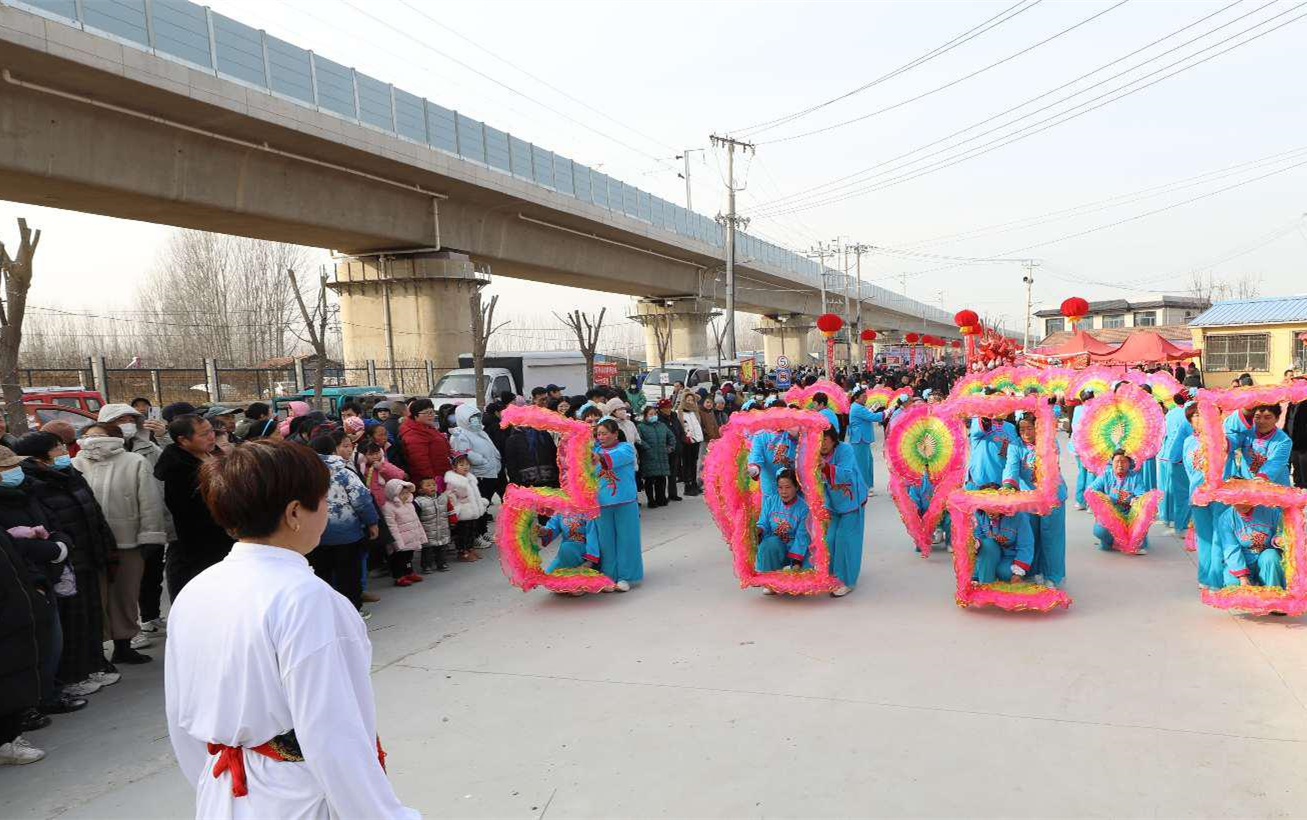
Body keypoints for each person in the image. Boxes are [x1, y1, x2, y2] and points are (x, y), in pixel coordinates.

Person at [163, 439, 418, 818]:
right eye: (324, 502)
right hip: (298, 796)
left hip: (224, 791)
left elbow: (181, 718)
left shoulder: (197, 590)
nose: (327, 513)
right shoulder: (307, 599)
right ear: (295, 512)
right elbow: (333, 733)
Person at [72, 423, 167, 668]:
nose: (91, 441)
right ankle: (96, 653)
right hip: (90, 544)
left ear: (115, 438)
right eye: (87, 436)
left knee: (125, 595)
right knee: (95, 597)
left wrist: (150, 535)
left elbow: (149, 502)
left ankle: (124, 645)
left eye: (98, 436)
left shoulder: (134, 462)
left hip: (128, 540)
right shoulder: (76, 463)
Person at [155, 415, 233, 600]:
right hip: (198, 547)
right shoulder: (178, 469)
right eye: (204, 434)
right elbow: (188, 515)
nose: (211, 437)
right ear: (183, 440)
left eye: (212, 431)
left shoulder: (214, 454)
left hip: (224, 538)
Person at [309, 433, 378, 618]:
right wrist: (372, 522)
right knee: (348, 574)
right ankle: (353, 610)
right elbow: (362, 500)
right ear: (333, 449)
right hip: (346, 533)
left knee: (320, 574)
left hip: (314, 534)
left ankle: (324, 611)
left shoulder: (303, 473)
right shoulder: (343, 472)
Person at [0, 530, 52, 765]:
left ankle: (12, 737)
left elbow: (18, 558)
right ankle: (6, 743)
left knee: (15, 681)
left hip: (17, 616)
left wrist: (37, 588)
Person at [1002, 416, 1066, 588]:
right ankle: (1031, 571)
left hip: (1052, 495)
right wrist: (1008, 485)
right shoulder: (1015, 445)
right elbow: (1011, 466)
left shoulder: (1048, 442)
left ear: (1036, 427)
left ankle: (1053, 575)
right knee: (1030, 536)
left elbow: (1051, 466)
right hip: (1028, 497)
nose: (1025, 433)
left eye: (1029, 428)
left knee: (1051, 537)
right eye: (1022, 429)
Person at [818, 426, 868, 597]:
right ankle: (833, 576)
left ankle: (846, 581)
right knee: (830, 539)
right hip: (832, 503)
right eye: (818, 440)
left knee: (845, 540)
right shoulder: (813, 454)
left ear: (833, 438)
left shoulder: (845, 450)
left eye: (825, 439)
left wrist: (825, 467)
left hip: (851, 501)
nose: (822, 444)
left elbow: (846, 475)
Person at [593, 418, 641, 591]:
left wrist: (598, 457)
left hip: (625, 501)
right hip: (601, 503)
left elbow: (614, 458)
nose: (601, 437)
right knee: (605, 541)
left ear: (615, 434)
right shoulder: (594, 451)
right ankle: (608, 576)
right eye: (598, 434)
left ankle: (625, 576)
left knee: (626, 539)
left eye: (605, 433)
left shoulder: (626, 448)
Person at [753, 469, 811, 584]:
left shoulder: (804, 508)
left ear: (797, 487)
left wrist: (796, 563)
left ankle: (789, 569)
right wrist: (756, 531)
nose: (784, 491)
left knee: (806, 576)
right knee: (769, 544)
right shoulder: (770, 502)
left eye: (788, 487)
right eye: (780, 487)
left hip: (795, 550)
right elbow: (763, 523)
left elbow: (802, 537)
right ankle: (770, 578)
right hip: (776, 548)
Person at [1089, 451, 1150, 554]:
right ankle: (1114, 542)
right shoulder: (1106, 475)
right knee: (1099, 531)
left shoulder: (1135, 477)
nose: (1120, 465)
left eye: (1124, 461)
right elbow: (1090, 490)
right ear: (1112, 462)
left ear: (1129, 463)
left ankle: (1133, 541)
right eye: (1117, 461)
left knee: (1144, 510)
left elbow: (1142, 496)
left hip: (1129, 515)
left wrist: (1122, 498)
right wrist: (1103, 497)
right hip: (1110, 515)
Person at [1218, 503, 1286, 589]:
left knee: (1271, 557)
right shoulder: (1226, 518)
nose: (1242, 504)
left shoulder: (1271, 510)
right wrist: (1242, 576)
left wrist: (1278, 539)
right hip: (1242, 559)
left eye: (1246, 499)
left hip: (1265, 556)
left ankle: (1273, 595)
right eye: (1237, 501)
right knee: (1233, 581)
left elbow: (1281, 530)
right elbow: (1231, 548)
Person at [449, 404, 503, 508]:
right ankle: (479, 523)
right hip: (478, 474)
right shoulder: (460, 434)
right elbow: (464, 453)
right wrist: (482, 461)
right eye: (473, 418)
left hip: (490, 472)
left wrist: (497, 458)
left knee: (485, 502)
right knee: (479, 504)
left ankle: (482, 521)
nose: (476, 420)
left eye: (478, 417)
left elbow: (490, 447)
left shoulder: (479, 431)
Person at [971, 507, 1035, 583]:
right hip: (990, 555)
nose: (989, 511)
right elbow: (979, 537)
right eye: (985, 506)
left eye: (993, 505)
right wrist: (976, 543)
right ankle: (986, 585)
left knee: (1005, 573)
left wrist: (1018, 573)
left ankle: (989, 575)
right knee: (986, 544)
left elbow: (1025, 545)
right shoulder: (980, 514)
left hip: (1010, 556)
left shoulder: (1019, 516)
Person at [446, 452, 490, 562]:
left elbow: (475, 493)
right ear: (454, 467)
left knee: (472, 530)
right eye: (461, 465)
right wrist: (457, 508)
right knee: (463, 532)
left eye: (467, 464)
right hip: (463, 510)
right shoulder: (453, 481)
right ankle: (463, 551)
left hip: (472, 508)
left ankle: (470, 548)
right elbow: (451, 496)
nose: (465, 467)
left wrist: (479, 502)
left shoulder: (470, 478)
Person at [379, 479, 424, 587]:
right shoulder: (388, 507)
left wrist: (420, 535)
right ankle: (399, 576)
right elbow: (391, 526)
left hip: (411, 537)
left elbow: (416, 521)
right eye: (402, 494)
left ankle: (409, 572)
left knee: (409, 556)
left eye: (407, 493)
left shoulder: (409, 504)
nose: (405, 495)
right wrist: (397, 542)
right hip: (400, 539)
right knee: (398, 559)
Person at [1236, 404, 1292, 486]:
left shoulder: (1284, 441)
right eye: (1257, 417)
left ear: (1277, 419)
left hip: (1274, 485)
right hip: (1248, 483)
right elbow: (1232, 441)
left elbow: (1275, 462)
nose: (1261, 421)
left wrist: (1263, 477)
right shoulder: (1246, 432)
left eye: (1267, 417)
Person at [400, 399, 451, 487]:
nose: (431, 415)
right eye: (426, 412)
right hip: (430, 481)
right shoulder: (413, 434)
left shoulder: (428, 427)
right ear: (416, 415)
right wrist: (430, 480)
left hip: (442, 474)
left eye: (432, 412)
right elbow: (420, 461)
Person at [846, 391, 885, 497]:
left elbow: (868, 415)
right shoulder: (857, 408)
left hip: (861, 439)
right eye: (863, 397)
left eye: (866, 396)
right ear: (856, 398)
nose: (865, 398)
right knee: (862, 464)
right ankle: (863, 488)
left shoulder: (857, 406)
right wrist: (886, 412)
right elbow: (872, 417)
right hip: (860, 439)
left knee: (867, 462)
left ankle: (866, 486)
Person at [635, 405, 672, 508]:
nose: (653, 416)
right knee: (650, 480)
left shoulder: (662, 425)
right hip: (648, 457)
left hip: (661, 456)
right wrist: (647, 448)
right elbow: (639, 440)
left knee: (661, 479)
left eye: (655, 414)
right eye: (650, 414)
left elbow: (671, 436)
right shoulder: (641, 427)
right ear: (645, 416)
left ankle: (661, 498)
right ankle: (651, 500)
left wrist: (670, 447)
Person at [412, 477, 451, 574]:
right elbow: (416, 516)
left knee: (442, 547)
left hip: (442, 527)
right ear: (421, 489)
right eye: (428, 485)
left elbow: (449, 510)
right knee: (427, 549)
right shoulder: (419, 501)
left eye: (433, 484)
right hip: (427, 529)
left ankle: (441, 563)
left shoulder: (443, 497)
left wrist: (452, 519)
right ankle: (426, 565)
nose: (432, 487)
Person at [966, 415, 1016, 489]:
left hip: (1003, 480)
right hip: (979, 480)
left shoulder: (1011, 427)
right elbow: (980, 427)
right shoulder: (979, 422)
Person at [677, 392, 704, 496]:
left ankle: (694, 484)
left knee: (694, 463)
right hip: (686, 441)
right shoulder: (680, 411)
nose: (690, 402)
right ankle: (687, 486)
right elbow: (680, 427)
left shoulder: (695, 411)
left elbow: (698, 424)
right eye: (688, 400)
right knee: (687, 463)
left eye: (692, 400)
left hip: (696, 440)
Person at [1287, 387, 1307, 489]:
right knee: (1296, 467)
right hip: (1292, 441)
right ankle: (1298, 486)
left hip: (1304, 444)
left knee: (1304, 470)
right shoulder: (1291, 403)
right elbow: (1288, 420)